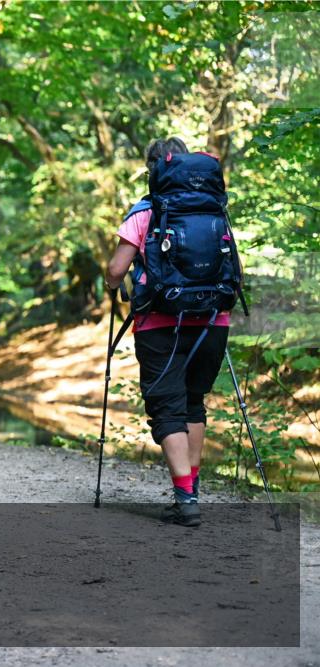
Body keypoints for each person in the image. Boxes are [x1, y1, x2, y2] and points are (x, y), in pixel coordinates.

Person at [105, 137, 231, 527]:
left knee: (167, 408)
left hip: (160, 324)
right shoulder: (214, 208)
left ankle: (185, 501)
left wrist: (113, 286)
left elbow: (116, 270)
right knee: (193, 404)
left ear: (152, 169)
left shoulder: (146, 210)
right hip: (212, 321)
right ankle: (191, 492)